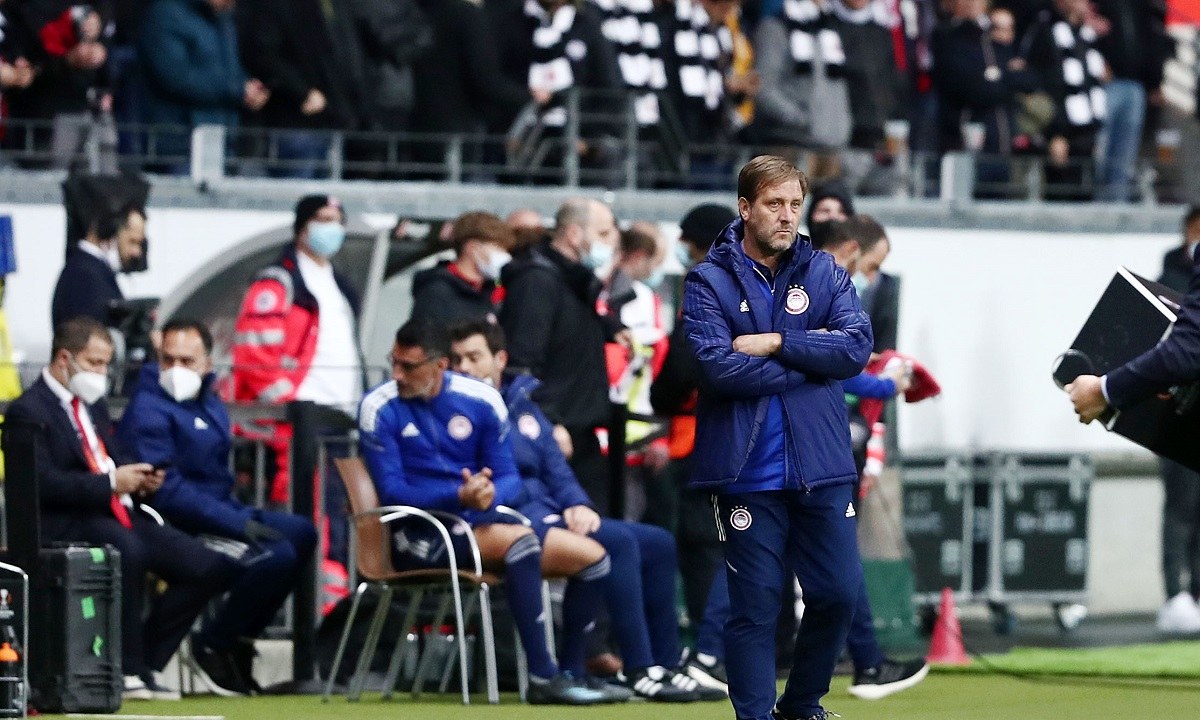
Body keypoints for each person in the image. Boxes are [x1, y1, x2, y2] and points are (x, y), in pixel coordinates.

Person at [682, 155, 872, 720]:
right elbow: (717, 369)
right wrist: (811, 361)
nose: (787, 216)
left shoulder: (825, 272)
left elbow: (854, 349)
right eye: (774, 204)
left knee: (837, 594)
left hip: (821, 465)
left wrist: (777, 343)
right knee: (756, 605)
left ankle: (802, 704)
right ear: (746, 208)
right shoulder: (707, 280)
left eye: (795, 204)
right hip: (746, 473)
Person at [449, 319, 722, 702]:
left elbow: (556, 469)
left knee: (659, 541)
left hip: (549, 514)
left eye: (473, 357)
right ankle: (639, 668)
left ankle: (665, 664)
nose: (463, 367)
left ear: (500, 359)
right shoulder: (456, 415)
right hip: (506, 524)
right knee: (620, 540)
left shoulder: (523, 405)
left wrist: (578, 504)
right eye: (457, 359)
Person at [358, 319, 609, 705]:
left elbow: (509, 478)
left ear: (440, 365)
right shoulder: (379, 407)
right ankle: (542, 676)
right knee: (521, 543)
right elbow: (393, 491)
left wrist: (487, 494)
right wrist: (459, 495)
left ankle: (573, 673)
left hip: (478, 521)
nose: (397, 375)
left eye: (408, 366)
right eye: (394, 362)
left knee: (593, 558)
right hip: (418, 533)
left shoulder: (481, 400)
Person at [3, 317, 237, 701]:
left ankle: (145, 659)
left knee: (207, 566)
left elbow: (109, 455)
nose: (101, 373)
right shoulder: (28, 411)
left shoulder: (91, 406)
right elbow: (41, 484)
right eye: (94, 363)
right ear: (64, 359)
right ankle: (126, 668)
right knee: (128, 551)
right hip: (66, 520)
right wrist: (110, 484)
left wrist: (140, 477)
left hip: (115, 512)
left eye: (105, 364)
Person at [118, 318, 318, 694]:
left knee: (303, 532)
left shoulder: (208, 401)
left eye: (186, 361)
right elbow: (165, 491)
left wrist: (235, 516)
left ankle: (239, 639)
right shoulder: (148, 409)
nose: (176, 370)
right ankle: (215, 644)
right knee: (276, 555)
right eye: (168, 360)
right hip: (181, 523)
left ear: (208, 364)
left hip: (221, 510)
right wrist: (235, 523)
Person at [230, 194, 363, 578]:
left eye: (338, 219)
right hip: (298, 426)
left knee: (337, 519)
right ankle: (311, 600)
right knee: (305, 518)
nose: (332, 227)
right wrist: (287, 408)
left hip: (340, 421)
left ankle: (332, 599)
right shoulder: (279, 281)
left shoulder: (339, 284)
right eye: (323, 218)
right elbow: (254, 354)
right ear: (302, 226)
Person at [650, 202, 737, 691]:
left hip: (702, 438)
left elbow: (684, 364)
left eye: (687, 238)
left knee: (705, 545)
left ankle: (710, 653)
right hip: (741, 435)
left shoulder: (706, 285)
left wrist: (663, 397)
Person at [500, 198, 629, 516]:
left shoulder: (574, 282)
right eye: (602, 233)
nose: (610, 243)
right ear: (573, 234)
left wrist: (608, 327)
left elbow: (566, 332)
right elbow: (522, 363)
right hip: (555, 436)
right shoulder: (537, 281)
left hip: (582, 433)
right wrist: (548, 423)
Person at [1147, 206, 1200, 633]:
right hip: (1178, 412)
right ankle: (1174, 594)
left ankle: (1196, 591)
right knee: (1180, 506)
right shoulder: (1171, 277)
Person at [139, 0, 269, 169]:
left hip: (222, 142)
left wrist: (249, 86)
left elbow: (230, 67)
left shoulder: (222, 18)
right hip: (179, 147)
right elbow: (175, 77)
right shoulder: (166, 14)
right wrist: (237, 89)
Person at [51, 202, 146, 330]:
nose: (137, 252)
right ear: (110, 233)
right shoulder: (84, 276)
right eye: (132, 241)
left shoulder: (90, 271)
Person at [409, 211, 515, 325]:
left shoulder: (491, 292)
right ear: (472, 248)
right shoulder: (436, 292)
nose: (504, 257)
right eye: (498, 249)